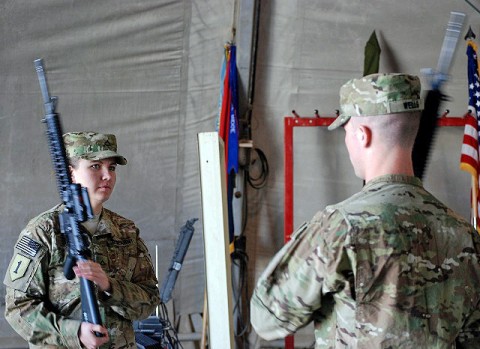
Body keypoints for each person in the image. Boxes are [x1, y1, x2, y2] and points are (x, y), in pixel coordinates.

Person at [250, 73, 480, 348]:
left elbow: (267, 318)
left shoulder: (340, 226)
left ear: (362, 135)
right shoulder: (465, 235)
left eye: (346, 132)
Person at [4, 131, 161, 349]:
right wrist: (74, 333)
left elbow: (149, 301)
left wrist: (109, 286)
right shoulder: (43, 231)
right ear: (71, 174)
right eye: (95, 166)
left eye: (112, 168)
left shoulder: (126, 231)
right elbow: (18, 308)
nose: (107, 175)